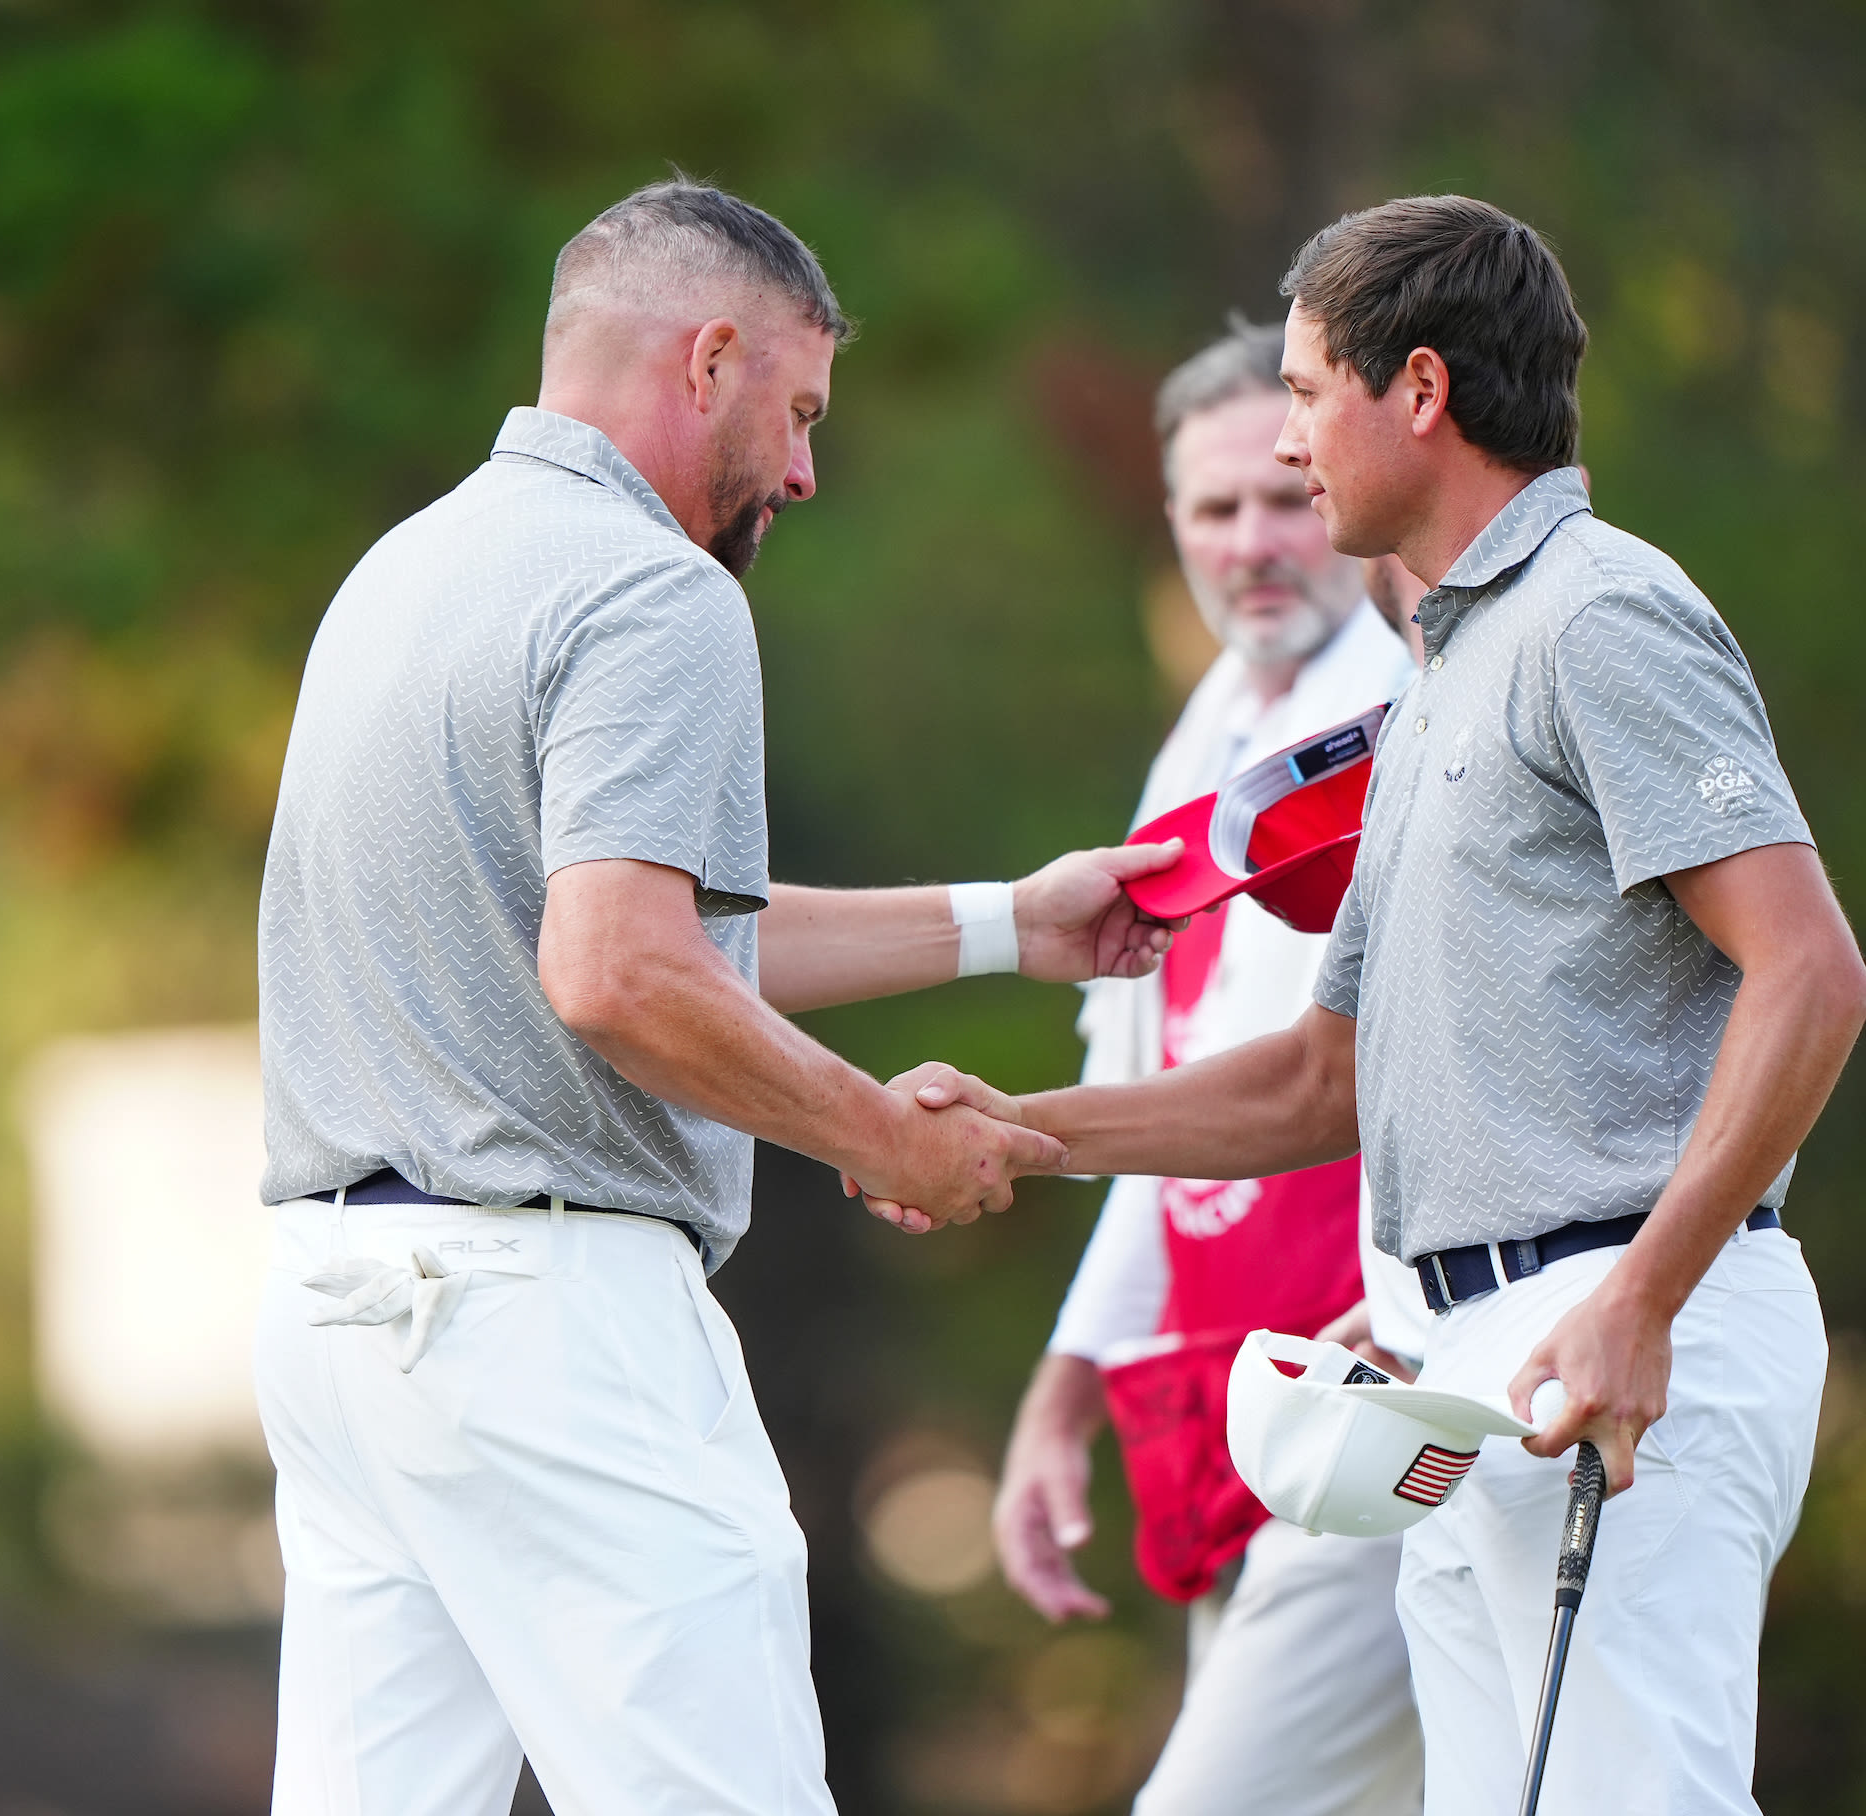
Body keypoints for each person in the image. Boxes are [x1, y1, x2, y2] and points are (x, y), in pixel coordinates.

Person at [880, 196, 1866, 1814]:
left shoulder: (1598, 614)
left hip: (1622, 1334)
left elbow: (1813, 971)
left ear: (1420, 391)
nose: (1286, 437)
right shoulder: (1437, 674)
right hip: (1455, 1365)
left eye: (1301, 392)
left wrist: (1643, 1300)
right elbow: (1312, 1085)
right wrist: (1012, 1131)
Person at [253, 175, 1178, 1816]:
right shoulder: (650, 589)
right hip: (549, 1323)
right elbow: (617, 973)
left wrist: (1007, 926)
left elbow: (651, 924)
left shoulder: (405, 572)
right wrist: (881, 1139)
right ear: (710, 360)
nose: (810, 468)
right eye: (804, 409)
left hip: (343, 1322)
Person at [992, 320, 1428, 1816]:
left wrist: (998, 1134)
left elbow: (1340, 1084)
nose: (1252, 543)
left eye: (1281, 497)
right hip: (1252, 1418)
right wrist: (1065, 1386)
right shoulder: (1201, 749)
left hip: (1391, 1389)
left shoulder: (1415, 710)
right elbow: (1158, 1114)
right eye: (1211, 509)